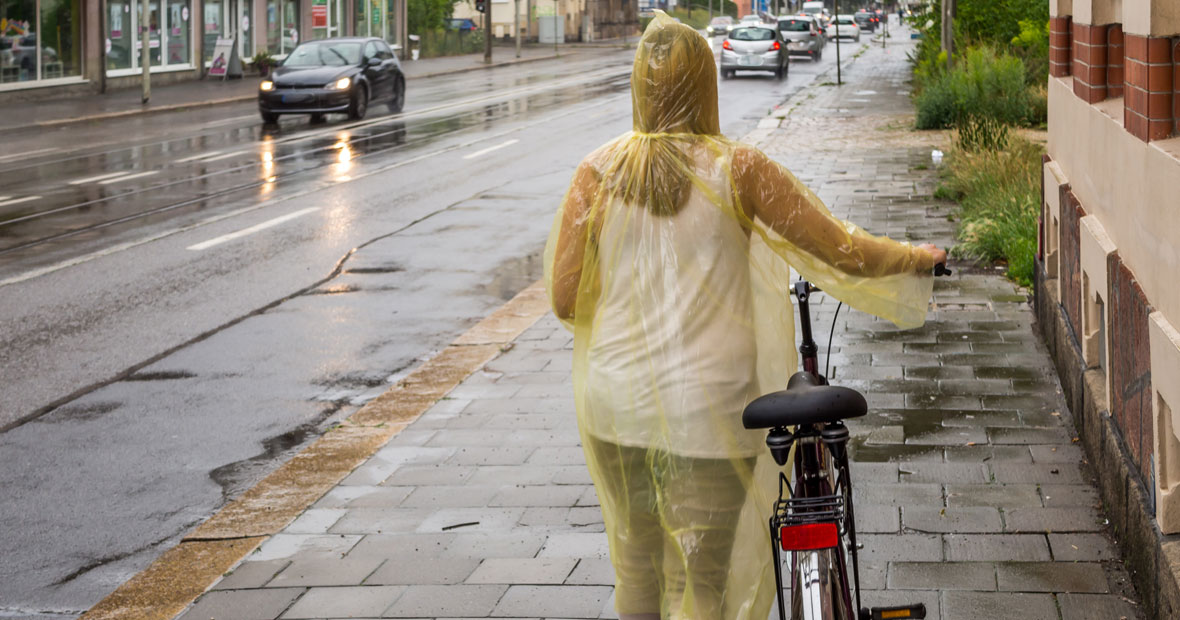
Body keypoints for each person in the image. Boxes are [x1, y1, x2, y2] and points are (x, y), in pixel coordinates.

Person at [544, 12, 944, 620]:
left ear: (637, 88)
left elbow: (566, 300)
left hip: (615, 404)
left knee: (636, 571)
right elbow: (843, 249)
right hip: (708, 411)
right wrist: (919, 258)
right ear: (706, 85)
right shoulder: (739, 169)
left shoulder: (596, 174)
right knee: (702, 582)